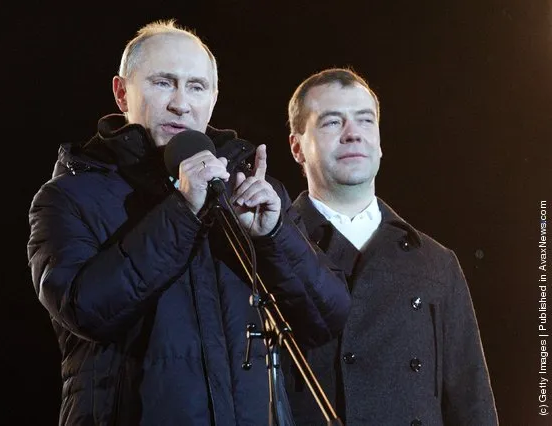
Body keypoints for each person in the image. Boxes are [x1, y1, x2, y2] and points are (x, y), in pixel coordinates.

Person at [27, 21, 351, 426]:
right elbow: (87, 310)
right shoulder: (68, 196)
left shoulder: (247, 186)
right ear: (122, 93)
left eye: (197, 87)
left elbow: (327, 317)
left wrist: (273, 236)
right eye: (164, 83)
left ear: (213, 99)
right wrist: (182, 209)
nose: (182, 103)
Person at [283, 68, 498, 425]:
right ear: (296, 147)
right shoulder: (268, 251)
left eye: (365, 121)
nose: (353, 134)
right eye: (332, 123)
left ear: (380, 142)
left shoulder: (436, 262)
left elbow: (472, 403)